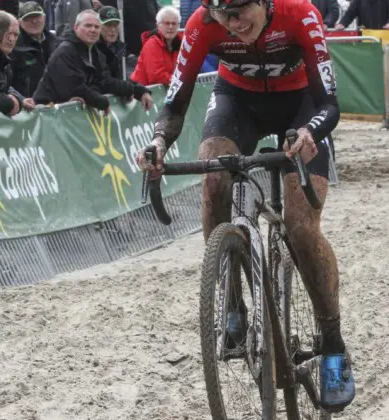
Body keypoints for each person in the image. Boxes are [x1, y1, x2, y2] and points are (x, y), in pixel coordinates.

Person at [134, 0, 355, 412]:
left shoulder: (300, 14)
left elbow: (330, 103)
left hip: (302, 106)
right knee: (215, 179)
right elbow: (174, 102)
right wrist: (159, 141)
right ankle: (232, 299)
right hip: (237, 102)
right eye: (224, 15)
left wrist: (309, 132)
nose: (234, 24)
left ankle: (333, 342)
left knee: (303, 228)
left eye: (241, 11)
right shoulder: (202, 24)